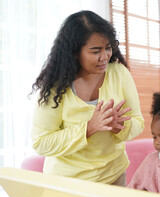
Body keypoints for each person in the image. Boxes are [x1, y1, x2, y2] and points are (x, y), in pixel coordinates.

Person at [30, 10, 144, 186]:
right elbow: (41, 142)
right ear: (75, 52)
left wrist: (118, 126)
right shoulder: (55, 87)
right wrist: (89, 128)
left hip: (114, 176)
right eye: (95, 51)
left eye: (108, 48)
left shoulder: (118, 73)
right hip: (67, 183)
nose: (105, 56)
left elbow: (138, 122)